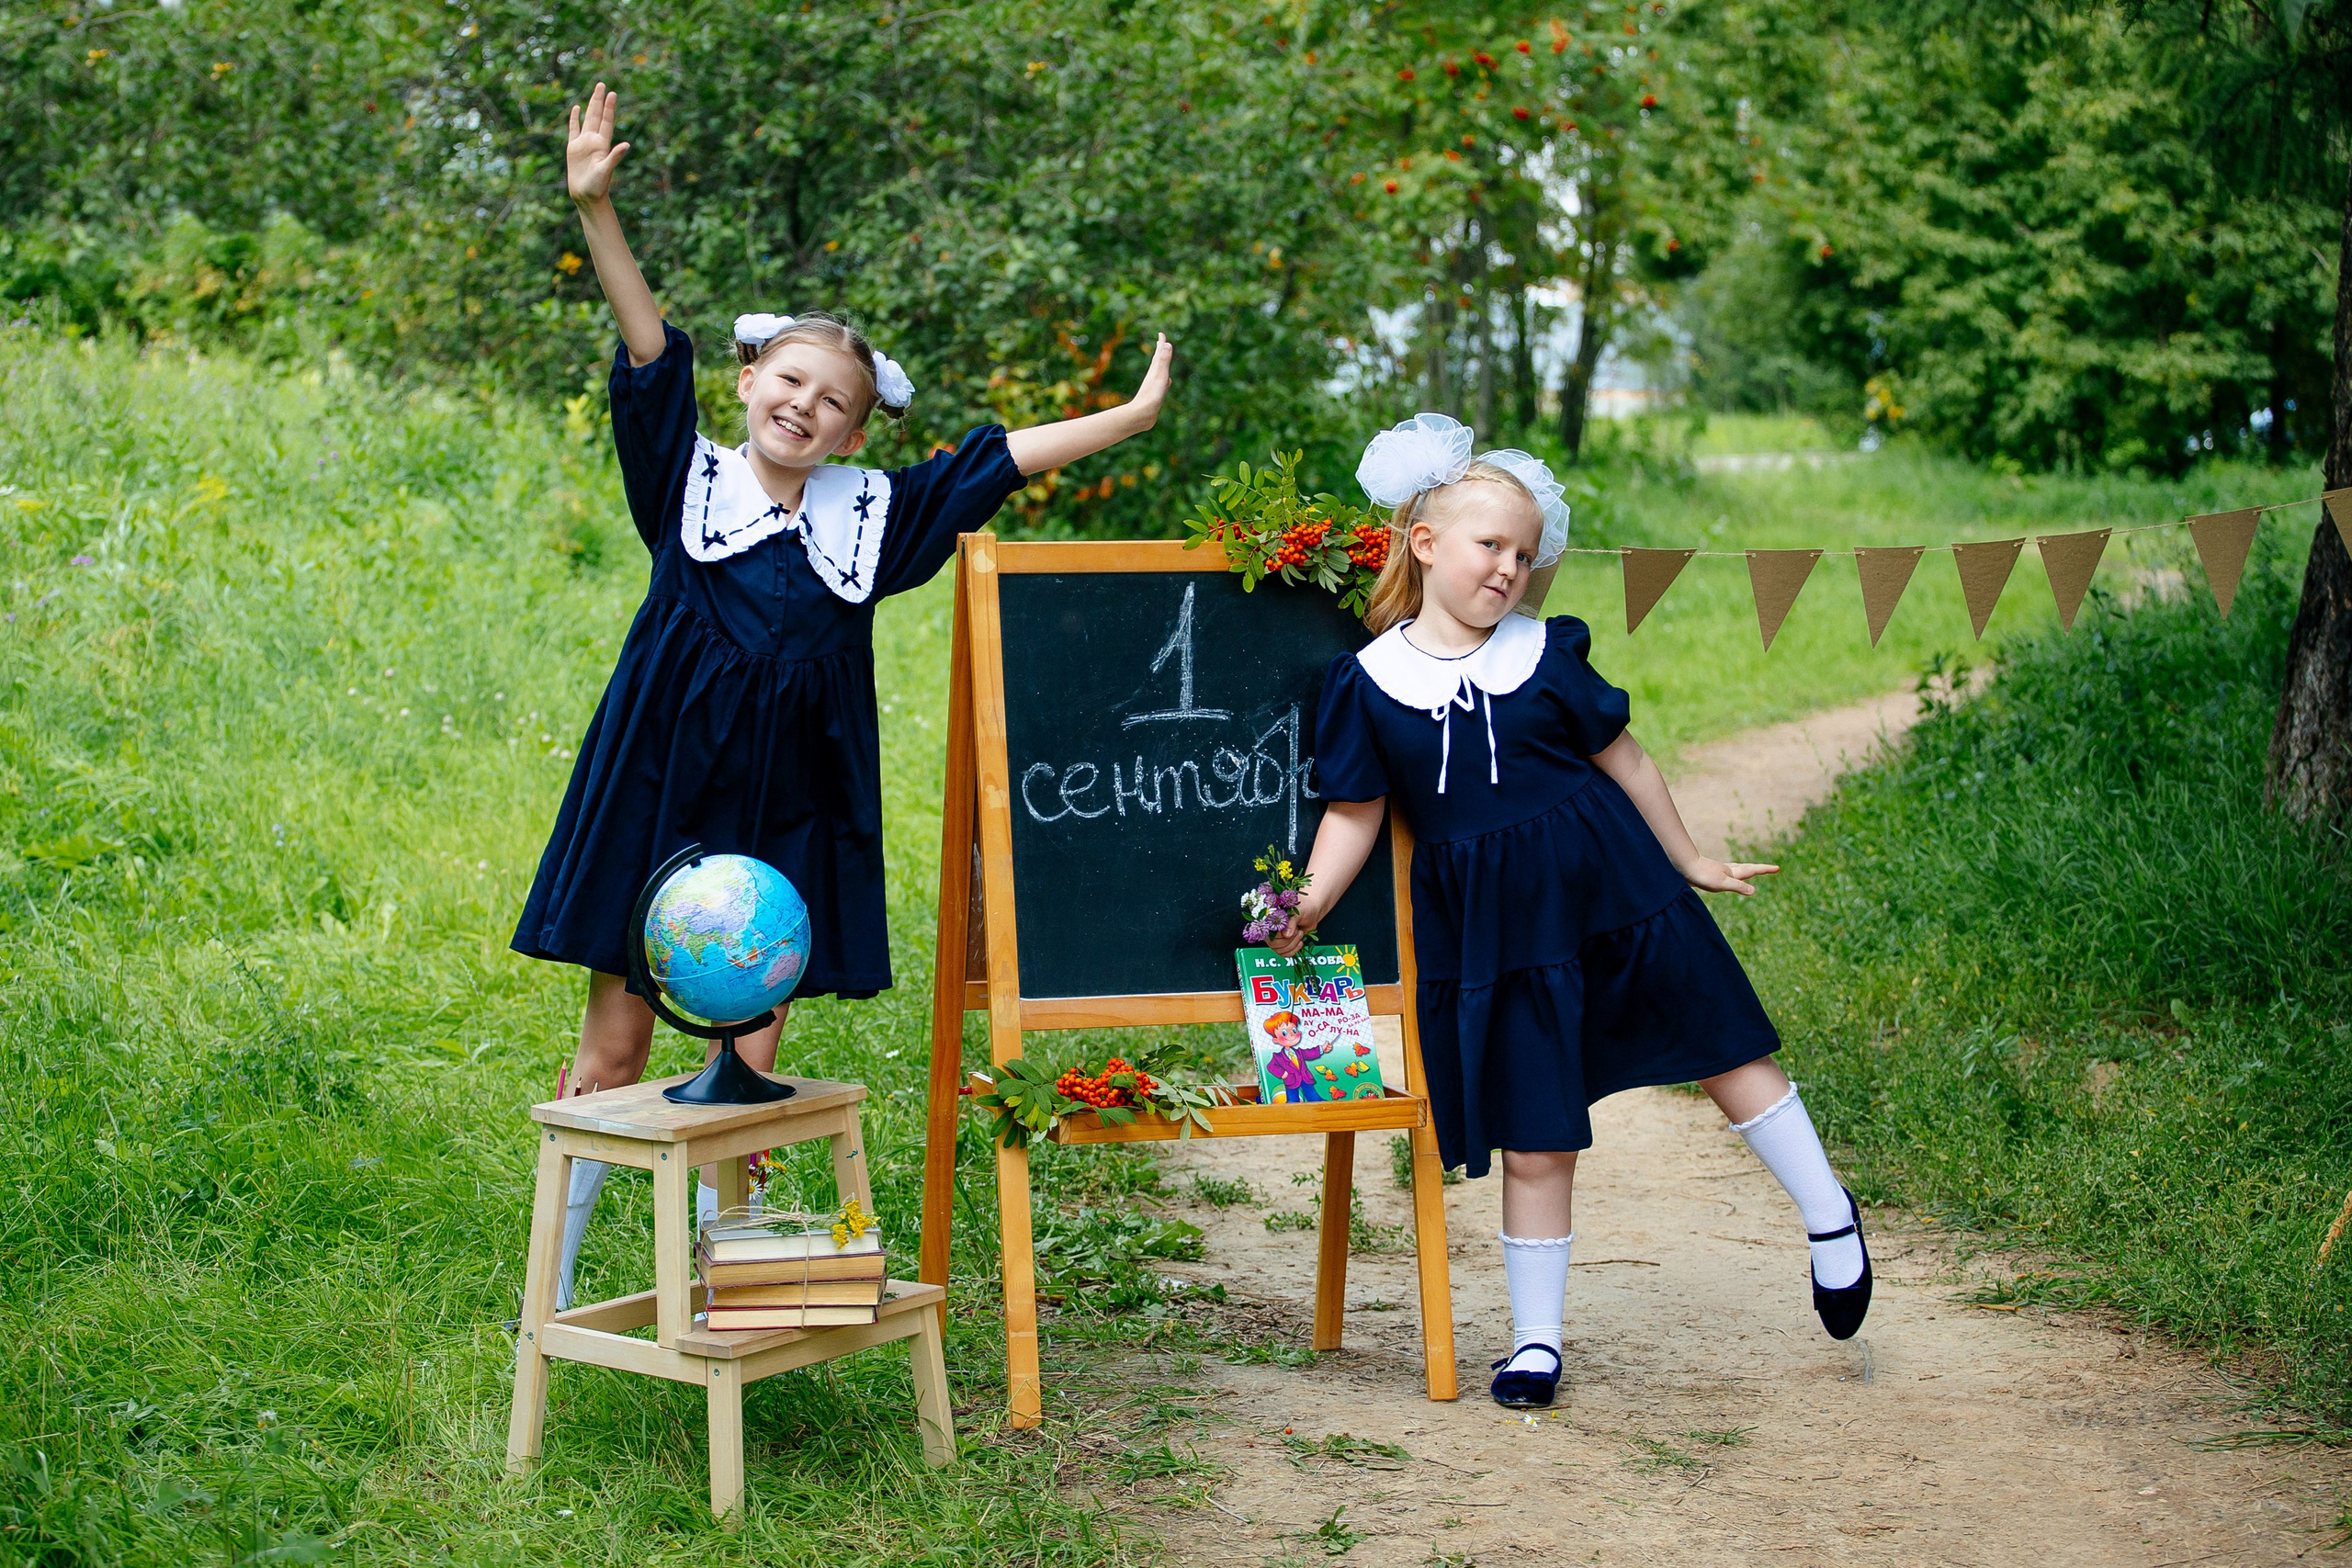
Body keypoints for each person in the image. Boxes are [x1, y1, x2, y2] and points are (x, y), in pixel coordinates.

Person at [522, 84, 1174, 1308]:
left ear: (857, 429)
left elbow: (993, 462)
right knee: (613, 1050)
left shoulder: (873, 520)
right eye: (789, 379)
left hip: (784, 823)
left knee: (742, 1086)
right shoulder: (688, 480)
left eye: (833, 399)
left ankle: (741, 1307)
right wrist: (596, 207)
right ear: (752, 375)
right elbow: (649, 350)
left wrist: (1129, 416)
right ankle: (547, 1304)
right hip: (658, 793)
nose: (802, 405)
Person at [1267, 413, 1869, 1409]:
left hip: (1616, 889)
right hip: (1496, 930)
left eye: (1522, 551)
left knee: (1720, 1047)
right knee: (1536, 1131)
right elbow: (1355, 811)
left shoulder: (1544, 654)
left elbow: (1624, 757)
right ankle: (1536, 1342)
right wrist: (1310, 900)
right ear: (1424, 545)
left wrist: (1688, 859)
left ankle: (1827, 1214)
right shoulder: (1368, 685)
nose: (1508, 568)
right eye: (1487, 546)